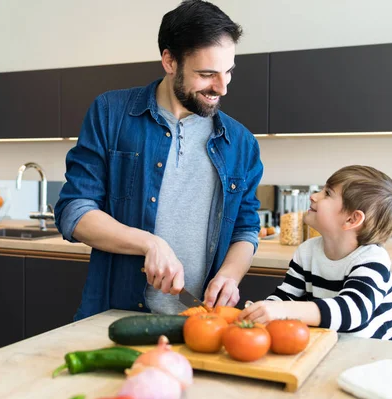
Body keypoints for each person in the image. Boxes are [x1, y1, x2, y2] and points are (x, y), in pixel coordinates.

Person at [55, 0, 263, 319]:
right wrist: (149, 244)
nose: (221, 88)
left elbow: (246, 229)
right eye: (207, 74)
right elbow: (75, 211)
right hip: (115, 315)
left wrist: (230, 276)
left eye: (228, 72)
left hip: (199, 323)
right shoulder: (111, 114)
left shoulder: (241, 143)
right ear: (169, 61)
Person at [239, 165, 392, 341]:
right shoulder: (307, 251)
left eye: (327, 194)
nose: (313, 196)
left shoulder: (372, 258)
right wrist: (262, 311)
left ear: (352, 219)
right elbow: (286, 297)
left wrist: (282, 310)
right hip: (333, 351)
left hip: (379, 359)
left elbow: (352, 311)